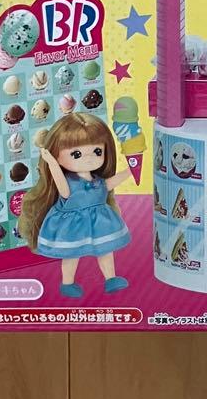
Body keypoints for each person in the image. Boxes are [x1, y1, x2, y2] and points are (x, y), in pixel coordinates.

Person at [18, 112, 133, 297]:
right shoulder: (69, 184)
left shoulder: (97, 181)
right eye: (76, 154)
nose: (89, 158)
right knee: (71, 254)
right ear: (57, 155)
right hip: (72, 225)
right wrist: (52, 163)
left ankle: (111, 278)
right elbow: (63, 189)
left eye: (97, 151)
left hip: (98, 222)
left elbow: (110, 183)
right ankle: (68, 283)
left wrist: (130, 170)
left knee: (105, 250)